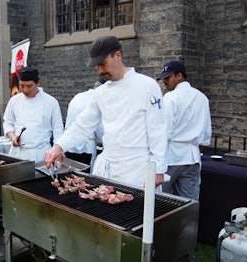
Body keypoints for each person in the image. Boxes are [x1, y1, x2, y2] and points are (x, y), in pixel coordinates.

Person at [44, 35, 168, 190]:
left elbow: (158, 130)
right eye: (97, 66)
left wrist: (159, 169)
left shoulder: (147, 86)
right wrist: (59, 146)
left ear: (118, 55)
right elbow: (83, 125)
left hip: (137, 168)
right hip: (108, 167)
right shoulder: (100, 93)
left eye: (103, 64)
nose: (100, 70)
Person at [157, 60, 212, 200]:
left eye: (168, 77)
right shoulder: (202, 98)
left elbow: (164, 131)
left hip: (172, 157)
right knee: (188, 203)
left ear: (179, 76)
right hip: (192, 157)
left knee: (162, 201)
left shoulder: (171, 97)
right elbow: (206, 134)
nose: (164, 81)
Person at [3, 66, 64, 163]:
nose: (25, 90)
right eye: (21, 86)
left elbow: (58, 130)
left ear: (37, 83)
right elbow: (7, 123)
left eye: (29, 86)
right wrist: (13, 137)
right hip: (18, 153)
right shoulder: (14, 101)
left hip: (41, 153)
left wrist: (58, 150)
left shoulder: (51, 102)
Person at [64, 77, 105, 172]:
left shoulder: (78, 96)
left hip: (69, 145)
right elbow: (100, 130)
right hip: (86, 149)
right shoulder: (96, 100)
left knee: (69, 177)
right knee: (84, 180)